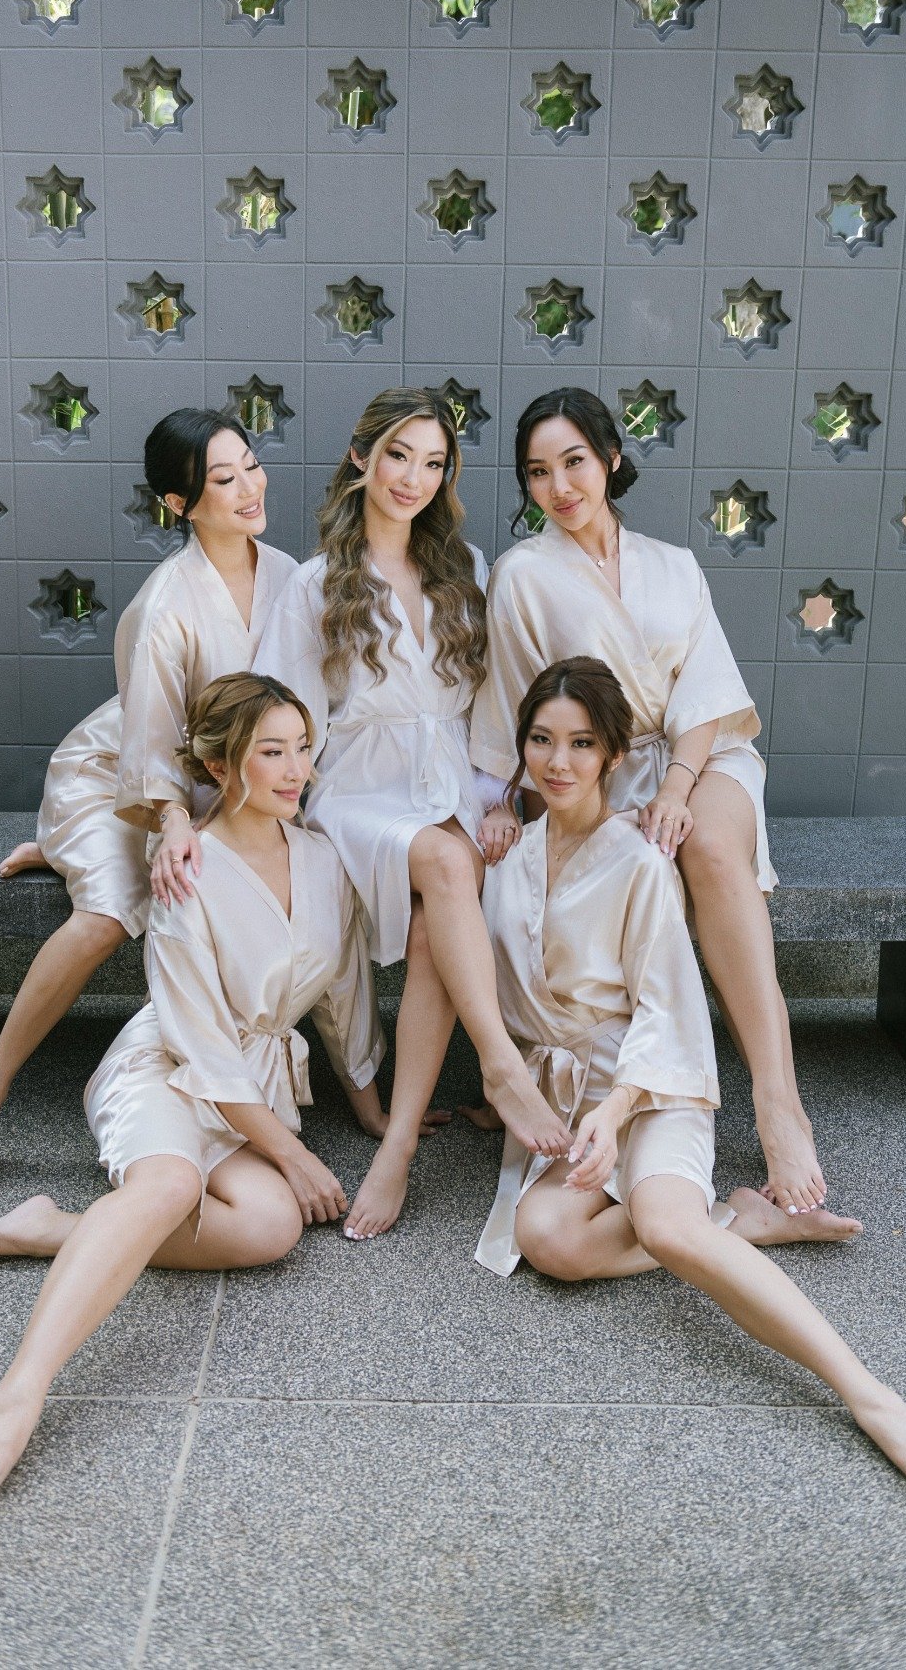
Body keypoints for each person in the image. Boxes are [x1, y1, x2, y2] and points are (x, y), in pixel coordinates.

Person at [477, 658, 906, 1529]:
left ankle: (874, 1400)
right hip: (574, 1103)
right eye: (542, 741)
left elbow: (672, 1013)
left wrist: (615, 1108)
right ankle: (744, 1222)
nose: (560, 762)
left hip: (652, 1089)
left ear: (614, 753)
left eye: (583, 743)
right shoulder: (512, 861)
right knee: (545, 1238)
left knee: (667, 1225)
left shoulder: (638, 861)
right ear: (521, 750)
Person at [0, 672, 384, 1540]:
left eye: (302, 748)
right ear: (218, 762)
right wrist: (292, 1150)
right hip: (167, 1068)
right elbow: (202, 1047)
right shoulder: (185, 868)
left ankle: (56, 1228)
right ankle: (13, 1406)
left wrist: (367, 1104)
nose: (295, 770)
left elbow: (340, 990)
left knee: (272, 1229)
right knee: (171, 1187)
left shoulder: (324, 857)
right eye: (270, 752)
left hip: (252, 1087)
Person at [471, 386, 835, 1220]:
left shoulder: (676, 564)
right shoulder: (524, 576)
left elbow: (708, 695)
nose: (559, 486)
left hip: (703, 758)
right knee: (643, 856)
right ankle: (622, 1087)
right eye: (537, 472)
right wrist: (503, 798)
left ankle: (779, 1102)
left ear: (610, 459)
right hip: (607, 774)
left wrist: (678, 785)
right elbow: (517, 702)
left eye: (573, 462)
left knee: (706, 847)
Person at [0, 409, 301, 1199]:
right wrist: (168, 825)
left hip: (219, 785)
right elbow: (153, 743)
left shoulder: (291, 577)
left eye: (251, 466)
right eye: (221, 480)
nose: (247, 489)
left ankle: (62, 849)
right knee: (111, 910)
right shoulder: (163, 606)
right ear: (180, 504)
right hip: (121, 773)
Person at [253, 388, 572, 1241]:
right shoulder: (316, 584)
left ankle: (396, 1147)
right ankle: (501, 1067)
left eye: (434, 463)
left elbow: (499, 703)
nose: (414, 478)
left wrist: (499, 795)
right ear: (362, 459)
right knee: (443, 862)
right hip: (359, 791)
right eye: (399, 455)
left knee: (444, 896)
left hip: (454, 787)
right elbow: (279, 711)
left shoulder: (465, 567)